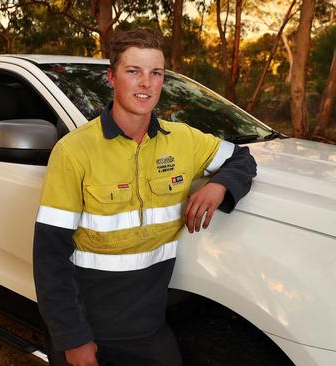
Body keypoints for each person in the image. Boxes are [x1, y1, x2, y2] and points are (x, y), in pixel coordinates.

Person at [33, 28, 257, 366]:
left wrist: (220, 185)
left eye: (156, 73)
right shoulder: (74, 152)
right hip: (87, 328)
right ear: (111, 77)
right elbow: (50, 257)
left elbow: (242, 158)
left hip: (149, 330)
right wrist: (74, 339)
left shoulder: (183, 140)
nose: (146, 83)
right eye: (133, 71)